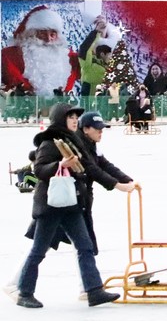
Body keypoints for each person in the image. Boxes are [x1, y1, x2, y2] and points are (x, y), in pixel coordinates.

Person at [13, 103, 121, 308]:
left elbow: (91, 166)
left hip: (71, 204)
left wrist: (116, 183)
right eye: (70, 116)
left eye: (75, 117)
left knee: (85, 247)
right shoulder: (50, 142)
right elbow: (39, 170)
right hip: (51, 206)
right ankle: (24, 293)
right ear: (60, 119)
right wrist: (60, 165)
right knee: (38, 250)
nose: (74, 120)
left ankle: (94, 291)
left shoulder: (74, 141)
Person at [77, 111, 138, 256]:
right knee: (85, 246)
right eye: (97, 129)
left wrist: (128, 179)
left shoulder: (92, 145)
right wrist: (118, 185)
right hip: (73, 199)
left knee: (85, 247)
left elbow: (105, 165)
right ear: (85, 129)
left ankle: (89, 276)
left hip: (82, 199)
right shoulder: (79, 146)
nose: (101, 132)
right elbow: (93, 170)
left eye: (102, 129)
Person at [1, 5, 81, 95]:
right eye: (42, 33)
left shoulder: (71, 58)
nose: (48, 39)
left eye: (52, 34)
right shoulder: (10, 55)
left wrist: (98, 34)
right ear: (31, 34)